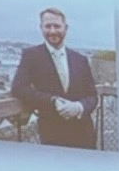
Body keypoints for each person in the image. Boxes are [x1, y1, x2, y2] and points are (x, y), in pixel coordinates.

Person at [11, 8, 99, 149]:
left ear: (66, 28)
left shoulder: (80, 59)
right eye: (48, 26)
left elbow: (92, 96)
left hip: (84, 134)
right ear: (41, 28)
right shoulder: (31, 56)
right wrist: (52, 100)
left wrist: (79, 107)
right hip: (53, 135)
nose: (52, 31)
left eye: (57, 26)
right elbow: (18, 88)